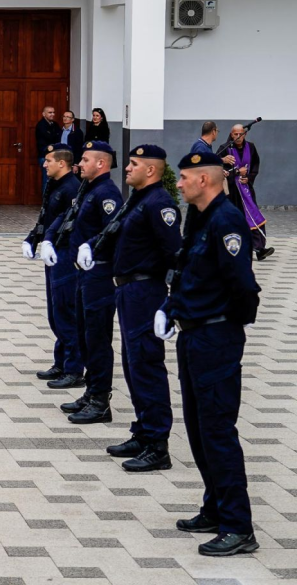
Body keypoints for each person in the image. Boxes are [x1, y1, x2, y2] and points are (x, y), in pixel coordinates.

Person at [157, 150, 261, 557]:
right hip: (192, 335)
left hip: (216, 338)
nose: (178, 184)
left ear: (205, 180)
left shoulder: (227, 219)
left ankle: (238, 526)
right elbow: (185, 272)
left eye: (184, 178)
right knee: (198, 430)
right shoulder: (198, 216)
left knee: (218, 431)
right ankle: (215, 507)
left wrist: (235, 323)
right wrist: (170, 309)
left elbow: (243, 284)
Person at [78, 145, 181, 472]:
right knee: (134, 363)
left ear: (150, 170)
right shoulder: (138, 199)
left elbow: (175, 255)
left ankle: (157, 444)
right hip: (127, 290)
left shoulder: (159, 203)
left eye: (134, 164)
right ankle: (143, 429)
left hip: (145, 290)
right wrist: (90, 246)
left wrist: (172, 304)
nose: (128, 168)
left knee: (146, 364)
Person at [40, 141, 122, 425]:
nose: (80, 164)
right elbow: (66, 219)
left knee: (98, 339)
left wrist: (90, 246)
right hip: (83, 273)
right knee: (85, 334)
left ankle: (100, 400)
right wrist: (46, 237)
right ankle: (91, 391)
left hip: (99, 276)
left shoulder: (107, 193)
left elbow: (112, 232)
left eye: (85, 160)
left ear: (101, 163)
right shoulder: (89, 189)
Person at [25, 144, 82, 390]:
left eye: (48, 160)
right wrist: (32, 238)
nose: (44, 164)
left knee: (66, 311)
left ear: (62, 163)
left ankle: (73, 369)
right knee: (55, 311)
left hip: (65, 255)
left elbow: (68, 223)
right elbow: (45, 217)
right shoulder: (55, 185)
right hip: (53, 253)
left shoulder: (72, 188)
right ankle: (61, 362)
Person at [221, 124, 273, 260]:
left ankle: (259, 248)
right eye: (235, 134)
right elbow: (218, 169)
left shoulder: (251, 147)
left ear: (245, 134)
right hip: (232, 192)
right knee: (238, 220)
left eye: (241, 134)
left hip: (246, 190)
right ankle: (238, 248)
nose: (238, 137)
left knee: (254, 216)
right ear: (231, 134)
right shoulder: (225, 149)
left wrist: (248, 178)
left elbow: (255, 165)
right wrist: (234, 171)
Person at [35, 105, 61, 189]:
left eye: (53, 112)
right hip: (45, 156)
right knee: (47, 180)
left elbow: (58, 137)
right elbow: (49, 138)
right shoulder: (41, 125)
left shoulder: (55, 124)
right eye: (50, 112)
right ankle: (45, 201)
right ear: (44, 114)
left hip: (55, 155)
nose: (52, 114)